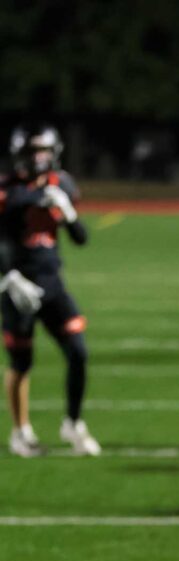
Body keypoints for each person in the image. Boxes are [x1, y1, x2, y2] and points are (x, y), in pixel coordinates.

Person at [1, 125, 100, 457]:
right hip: (18, 287)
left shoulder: (61, 185)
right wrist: (10, 278)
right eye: (31, 154)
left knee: (78, 351)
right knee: (21, 362)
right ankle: (20, 432)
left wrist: (69, 214)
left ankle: (73, 423)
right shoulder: (6, 190)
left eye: (42, 152)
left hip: (52, 283)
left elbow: (82, 239)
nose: (37, 160)